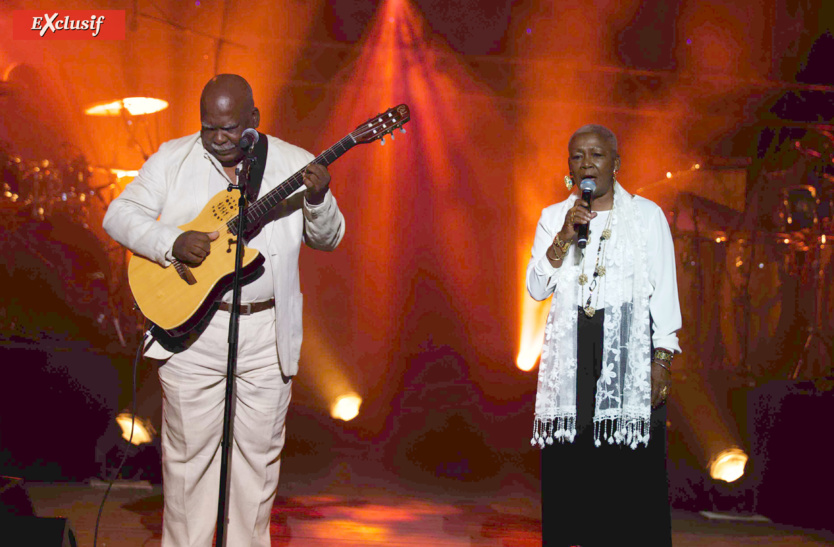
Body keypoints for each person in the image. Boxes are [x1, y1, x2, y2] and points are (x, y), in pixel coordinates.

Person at [103, 74, 345, 546]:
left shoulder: (294, 163)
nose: (217, 138)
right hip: (194, 333)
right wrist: (170, 241)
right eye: (209, 127)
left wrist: (317, 200)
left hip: (266, 332)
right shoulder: (173, 158)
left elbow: (330, 238)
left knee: (256, 467)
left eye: (230, 129)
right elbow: (118, 214)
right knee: (189, 464)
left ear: (253, 121)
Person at [526, 124, 681, 546]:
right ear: (569, 168)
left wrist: (661, 360)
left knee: (629, 471)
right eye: (577, 156)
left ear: (616, 162)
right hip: (574, 351)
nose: (587, 163)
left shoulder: (647, 215)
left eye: (596, 154)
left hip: (626, 349)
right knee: (572, 467)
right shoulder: (554, 217)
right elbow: (538, 288)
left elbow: (664, 290)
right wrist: (563, 237)